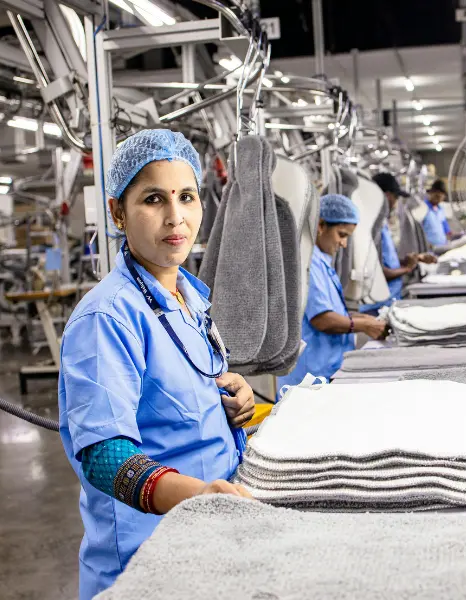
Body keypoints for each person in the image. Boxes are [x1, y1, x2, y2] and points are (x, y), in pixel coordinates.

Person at [57, 129, 256, 600]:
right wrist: (198, 498)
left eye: (186, 197)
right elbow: (105, 458)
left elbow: (181, 395)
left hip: (213, 537)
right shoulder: (107, 317)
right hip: (149, 555)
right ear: (117, 213)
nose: (175, 217)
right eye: (153, 199)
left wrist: (235, 400)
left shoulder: (187, 297)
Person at [277, 194, 387, 392]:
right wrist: (363, 325)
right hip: (311, 375)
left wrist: (363, 318)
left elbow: (330, 309)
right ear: (320, 225)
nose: (344, 244)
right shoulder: (308, 262)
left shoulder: (322, 262)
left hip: (327, 368)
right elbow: (323, 320)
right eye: (342, 235)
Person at [361, 174, 436, 315]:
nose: (396, 203)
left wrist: (413, 259)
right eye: (395, 198)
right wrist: (407, 268)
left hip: (388, 301)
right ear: (386, 196)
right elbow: (377, 272)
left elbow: (384, 262)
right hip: (375, 306)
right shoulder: (370, 225)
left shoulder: (381, 224)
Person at [421, 179, 457, 247]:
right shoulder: (423, 208)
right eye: (436, 193)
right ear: (430, 193)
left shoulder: (440, 210)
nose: (439, 196)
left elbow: (447, 230)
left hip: (442, 247)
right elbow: (418, 232)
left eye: (441, 194)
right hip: (429, 250)